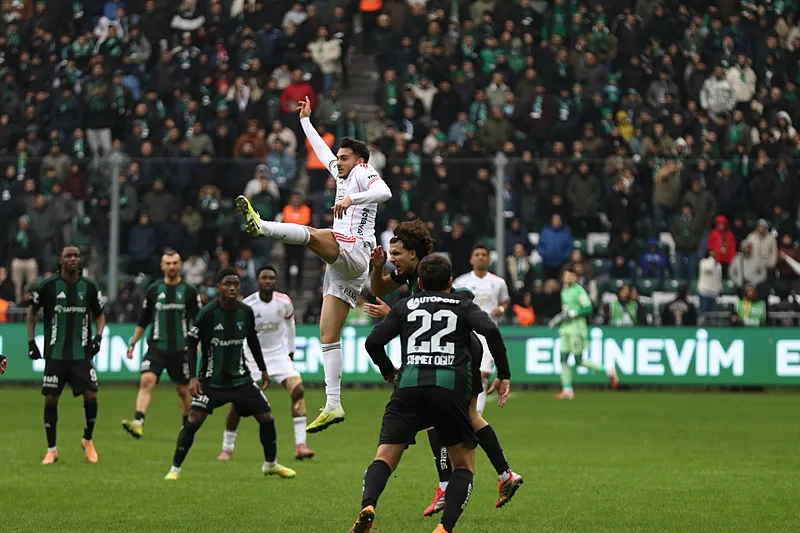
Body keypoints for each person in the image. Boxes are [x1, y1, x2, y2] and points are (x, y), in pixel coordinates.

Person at [235, 96, 392, 433]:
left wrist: (353, 198)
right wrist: (305, 122)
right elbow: (322, 153)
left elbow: (386, 194)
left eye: (345, 158)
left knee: (310, 233)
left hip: (355, 250)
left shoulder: (364, 172)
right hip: (344, 265)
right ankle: (334, 404)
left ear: (360, 159)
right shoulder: (344, 172)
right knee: (327, 334)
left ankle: (262, 226)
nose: (339, 162)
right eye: (339, 159)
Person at [366, 223, 523, 514]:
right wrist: (377, 269)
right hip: (442, 351)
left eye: (397, 254)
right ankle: (504, 475)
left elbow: (449, 309)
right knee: (461, 416)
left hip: (457, 351)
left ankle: (449, 486)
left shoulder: (431, 273)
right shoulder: (410, 275)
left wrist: (398, 316)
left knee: (446, 413)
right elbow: (378, 289)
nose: (393, 259)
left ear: (415, 255)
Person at [164, 268, 296, 481]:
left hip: (240, 380)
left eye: (236, 284)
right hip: (211, 381)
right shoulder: (208, 313)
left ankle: (270, 464)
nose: (232, 288)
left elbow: (252, 340)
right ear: (219, 287)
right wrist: (193, 378)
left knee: (266, 417)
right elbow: (191, 342)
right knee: (194, 419)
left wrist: (262, 369)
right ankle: (175, 468)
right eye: (227, 284)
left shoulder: (245, 312)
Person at [217, 265, 314, 461]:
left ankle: (301, 444)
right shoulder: (248, 305)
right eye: (264, 278)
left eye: (271, 278)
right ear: (258, 281)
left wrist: (291, 351)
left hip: (278, 355)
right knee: (239, 406)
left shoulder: (284, 302)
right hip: (252, 359)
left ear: (275, 282)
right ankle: (227, 447)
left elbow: (290, 325)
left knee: (298, 390)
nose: (268, 281)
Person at [27, 246, 105, 464]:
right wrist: (32, 342)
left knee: (91, 394)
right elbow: (32, 313)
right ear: (60, 260)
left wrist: (98, 337)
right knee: (51, 399)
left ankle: (87, 440)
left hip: (81, 355)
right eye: (68, 256)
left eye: (76, 256)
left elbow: (99, 315)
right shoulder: (48, 286)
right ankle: (52, 450)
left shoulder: (89, 286)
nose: (73, 259)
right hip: (55, 355)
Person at [122, 250, 201, 438]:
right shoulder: (154, 290)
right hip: (157, 346)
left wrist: (195, 345)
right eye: (168, 263)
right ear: (162, 266)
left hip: (181, 348)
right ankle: (138, 421)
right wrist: (133, 343)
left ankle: (186, 428)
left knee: (183, 391)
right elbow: (144, 320)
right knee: (146, 381)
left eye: (175, 263)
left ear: (180, 265)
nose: (172, 266)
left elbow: (197, 322)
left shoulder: (189, 291)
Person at [452, 245, 511, 416]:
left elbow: (505, 301)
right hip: (464, 332)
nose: (480, 257)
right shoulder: (461, 282)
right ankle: (461, 411)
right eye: (477, 254)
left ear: (488, 259)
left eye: (484, 255)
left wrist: (501, 309)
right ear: (471, 259)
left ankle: (476, 414)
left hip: (487, 334)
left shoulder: (498, 282)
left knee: (483, 374)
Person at [550, 267, 618, 400]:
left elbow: (588, 307)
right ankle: (567, 389)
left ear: (575, 278)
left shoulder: (579, 291)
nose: (567, 278)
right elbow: (566, 310)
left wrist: (575, 313)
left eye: (570, 276)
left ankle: (608, 370)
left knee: (578, 360)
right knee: (563, 358)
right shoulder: (564, 291)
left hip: (577, 329)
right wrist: (559, 318)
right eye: (566, 276)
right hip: (565, 329)